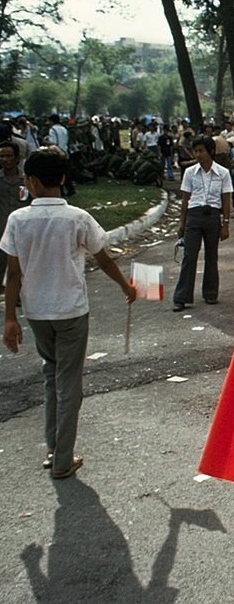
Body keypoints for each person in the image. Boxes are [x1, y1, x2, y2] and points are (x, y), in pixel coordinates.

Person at [1, 150, 137, 479]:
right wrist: (125, 286)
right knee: (69, 383)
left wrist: (9, 319)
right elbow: (103, 259)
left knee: (52, 375)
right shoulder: (78, 218)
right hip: (71, 311)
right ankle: (63, 459)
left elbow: (13, 274)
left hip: (36, 312)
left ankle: (53, 448)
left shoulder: (18, 220)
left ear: (31, 182)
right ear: (62, 178)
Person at [172, 137, 232, 312]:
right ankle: (181, 297)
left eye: (201, 151)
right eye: (196, 151)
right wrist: (182, 223)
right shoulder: (190, 173)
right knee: (189, 256)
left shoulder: (223, 173)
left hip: (212, 216)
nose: (198, 154)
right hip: (194, 216)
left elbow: (226, 199)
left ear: (211, 152)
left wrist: (225, 224)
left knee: (211, 256)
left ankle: (210, 293)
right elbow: (185, 199)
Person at [0, 140, 27, 289]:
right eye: (1, 156)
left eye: (8, 156)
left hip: (23, 231)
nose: (5, 159)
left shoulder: (27, 180)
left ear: (17, 158)